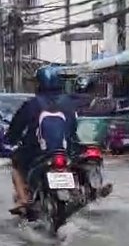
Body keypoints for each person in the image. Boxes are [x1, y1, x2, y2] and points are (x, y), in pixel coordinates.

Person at [5, 65, 80, 215]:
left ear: (39, 84)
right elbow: (73, 128)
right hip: (65, 151)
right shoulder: (68, 103)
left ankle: (23, 199)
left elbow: (16, 127)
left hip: (37, 152)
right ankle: (78, 192)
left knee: (15, 166)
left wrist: (11, 139)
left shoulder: (32, 104)